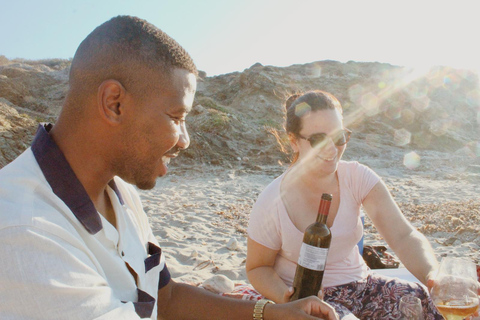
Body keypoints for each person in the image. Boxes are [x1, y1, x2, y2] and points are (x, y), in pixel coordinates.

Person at [0, 16, 338, 320]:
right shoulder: (24, 233)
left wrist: (272, 314)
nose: (184, 140)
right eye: (176, 117)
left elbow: (166, 297)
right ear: (114, 104)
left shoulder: (118, 194)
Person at [245, 90, 444, 319]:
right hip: (307, 297)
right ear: (293, 141)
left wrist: (433, 275)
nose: (331, 149)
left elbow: (403, 236)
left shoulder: (357, 177)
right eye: (318, 139)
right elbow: (257, 268)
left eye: (339, 137)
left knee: (420, 299)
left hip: (362, 286)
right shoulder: (273, 200)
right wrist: (287, 299)